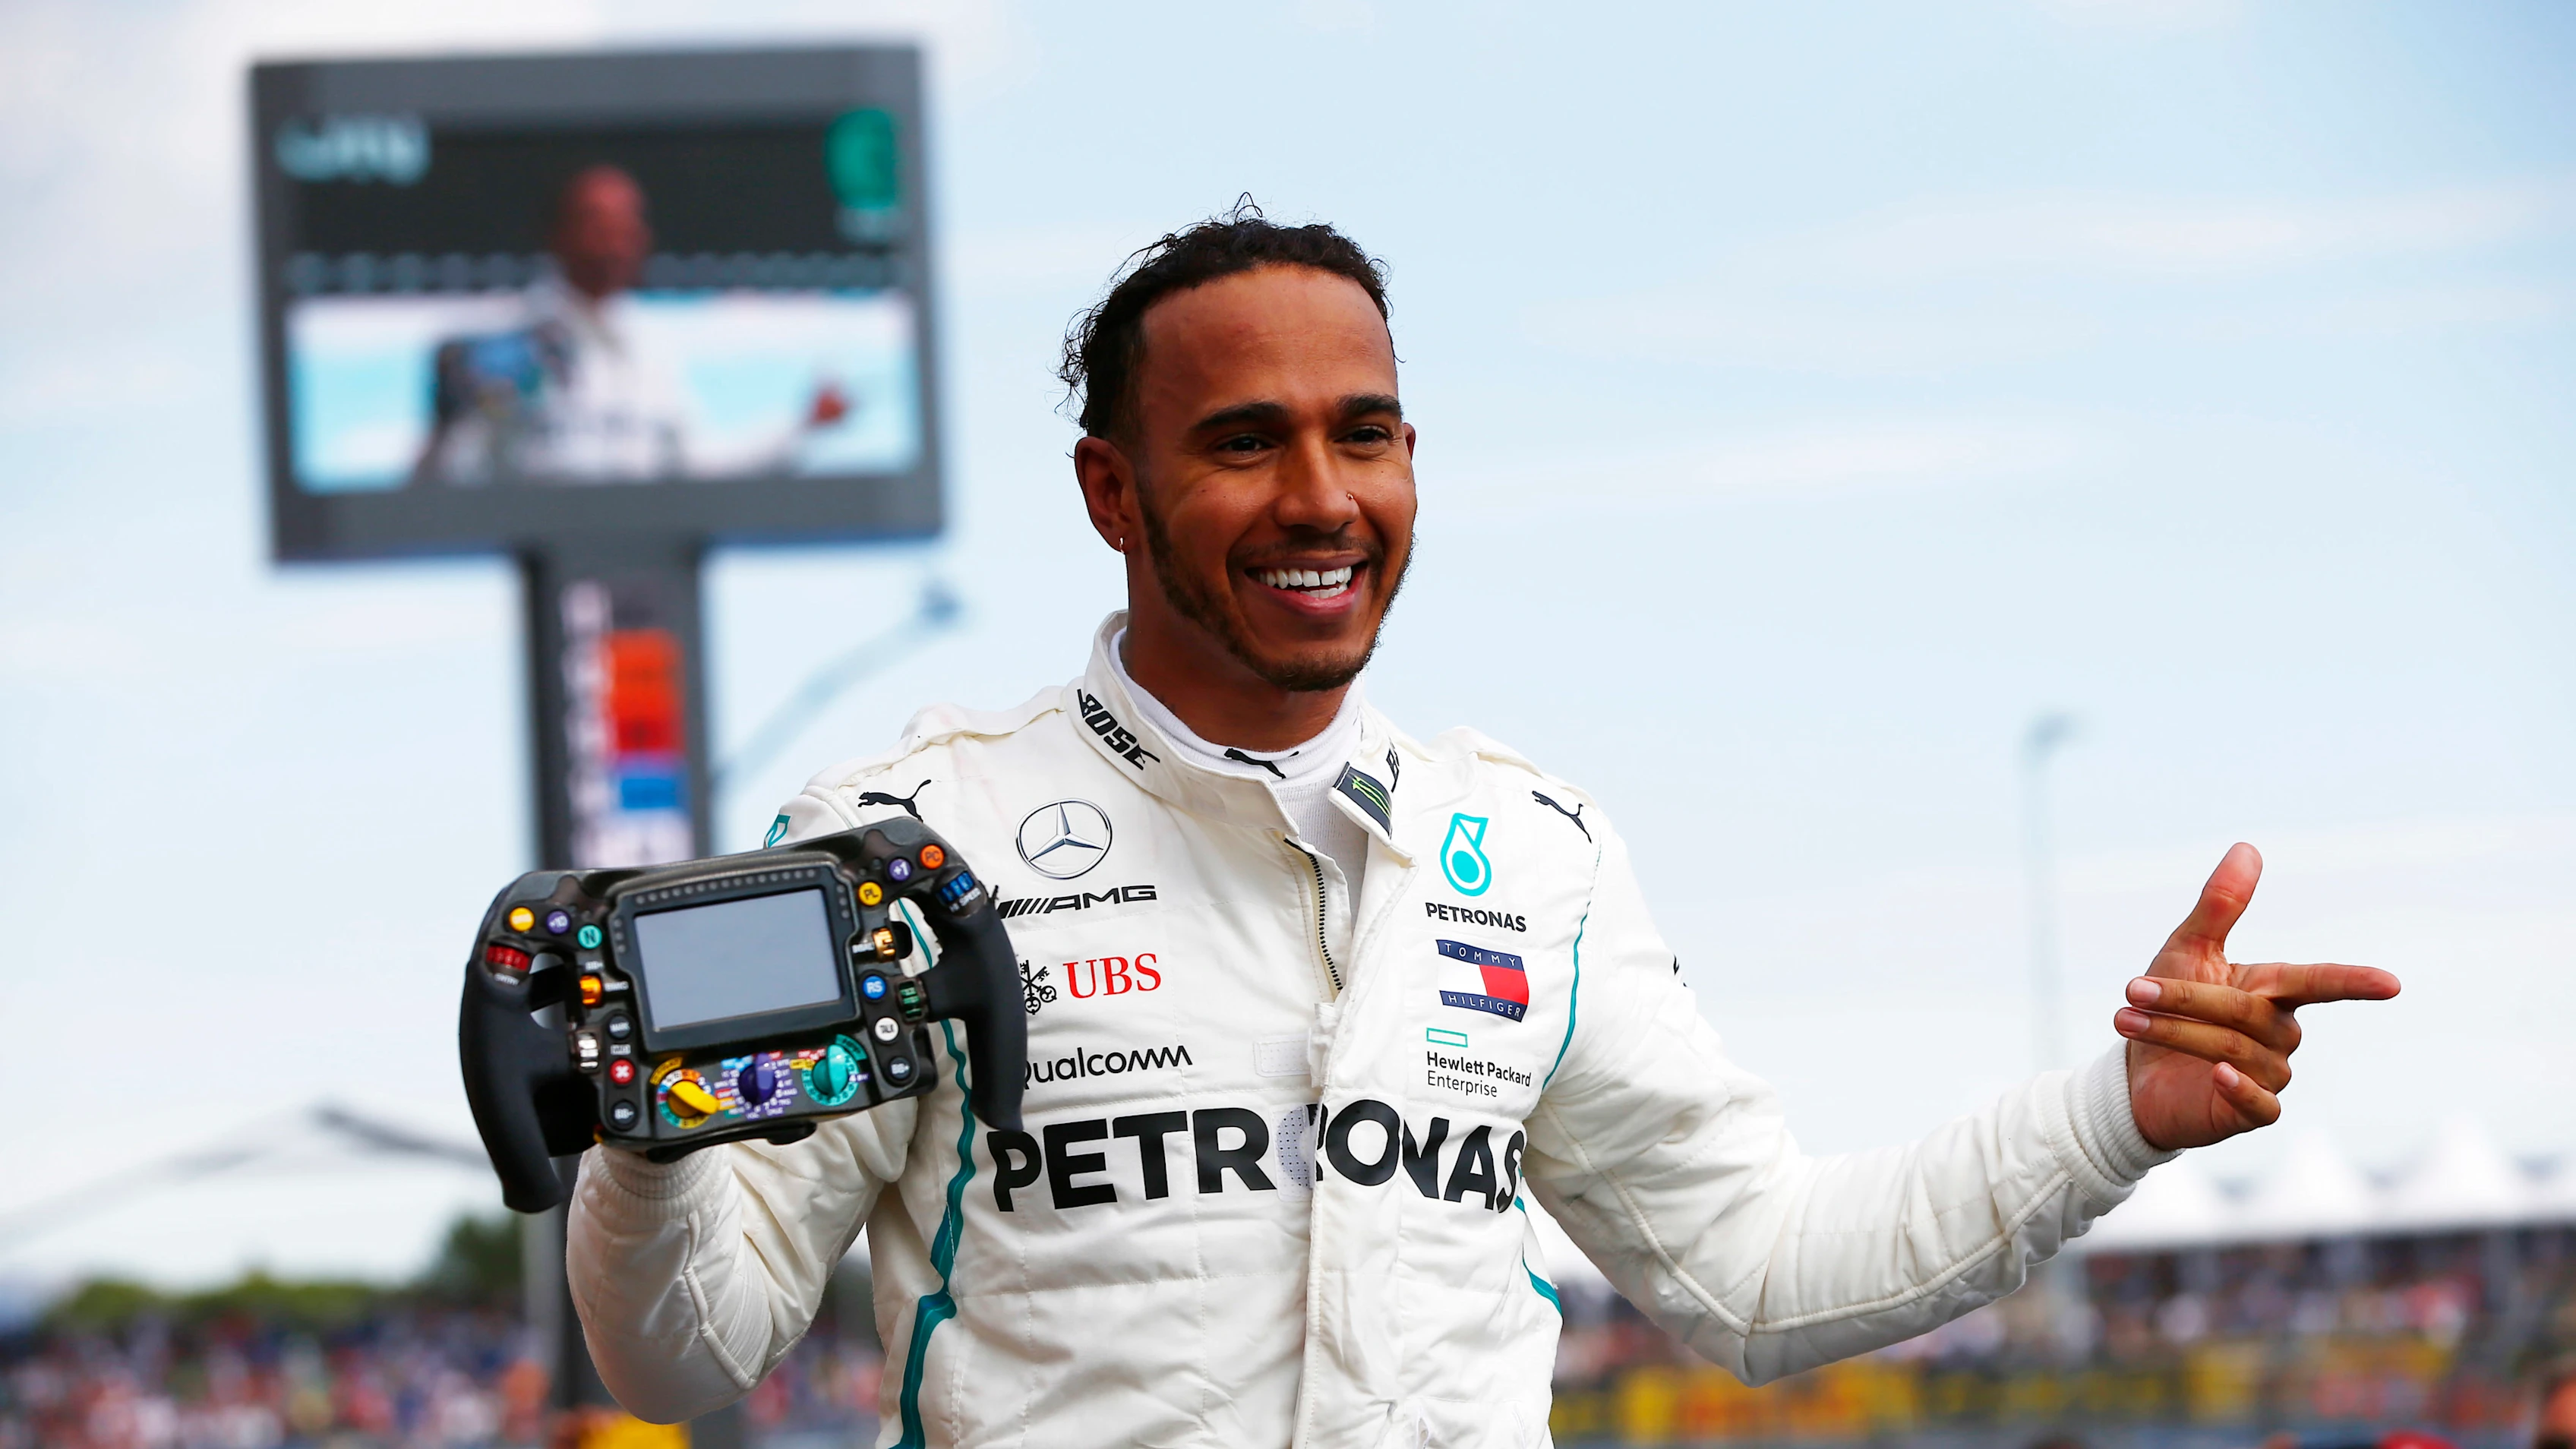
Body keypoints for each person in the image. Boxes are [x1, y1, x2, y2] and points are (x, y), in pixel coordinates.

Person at [566, 207, 2401, 1446]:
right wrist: (644, 1144)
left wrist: (2121, 1113)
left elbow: (1756, 1274)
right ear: (1108, 491)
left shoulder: (1529, 849)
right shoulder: (906, 835)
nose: (1321, 497)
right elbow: (683, 1347)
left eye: (1366, 434)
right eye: (1244, 441)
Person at [412, 164, 848, 485]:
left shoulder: (652, 354)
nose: (615, 241)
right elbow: (439, 484)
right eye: (597, 224)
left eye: (627, 226)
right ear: (557, 234)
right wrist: (445, 422)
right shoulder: (500, 343)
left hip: (641, 574)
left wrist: (804, 428)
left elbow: (697, 468)